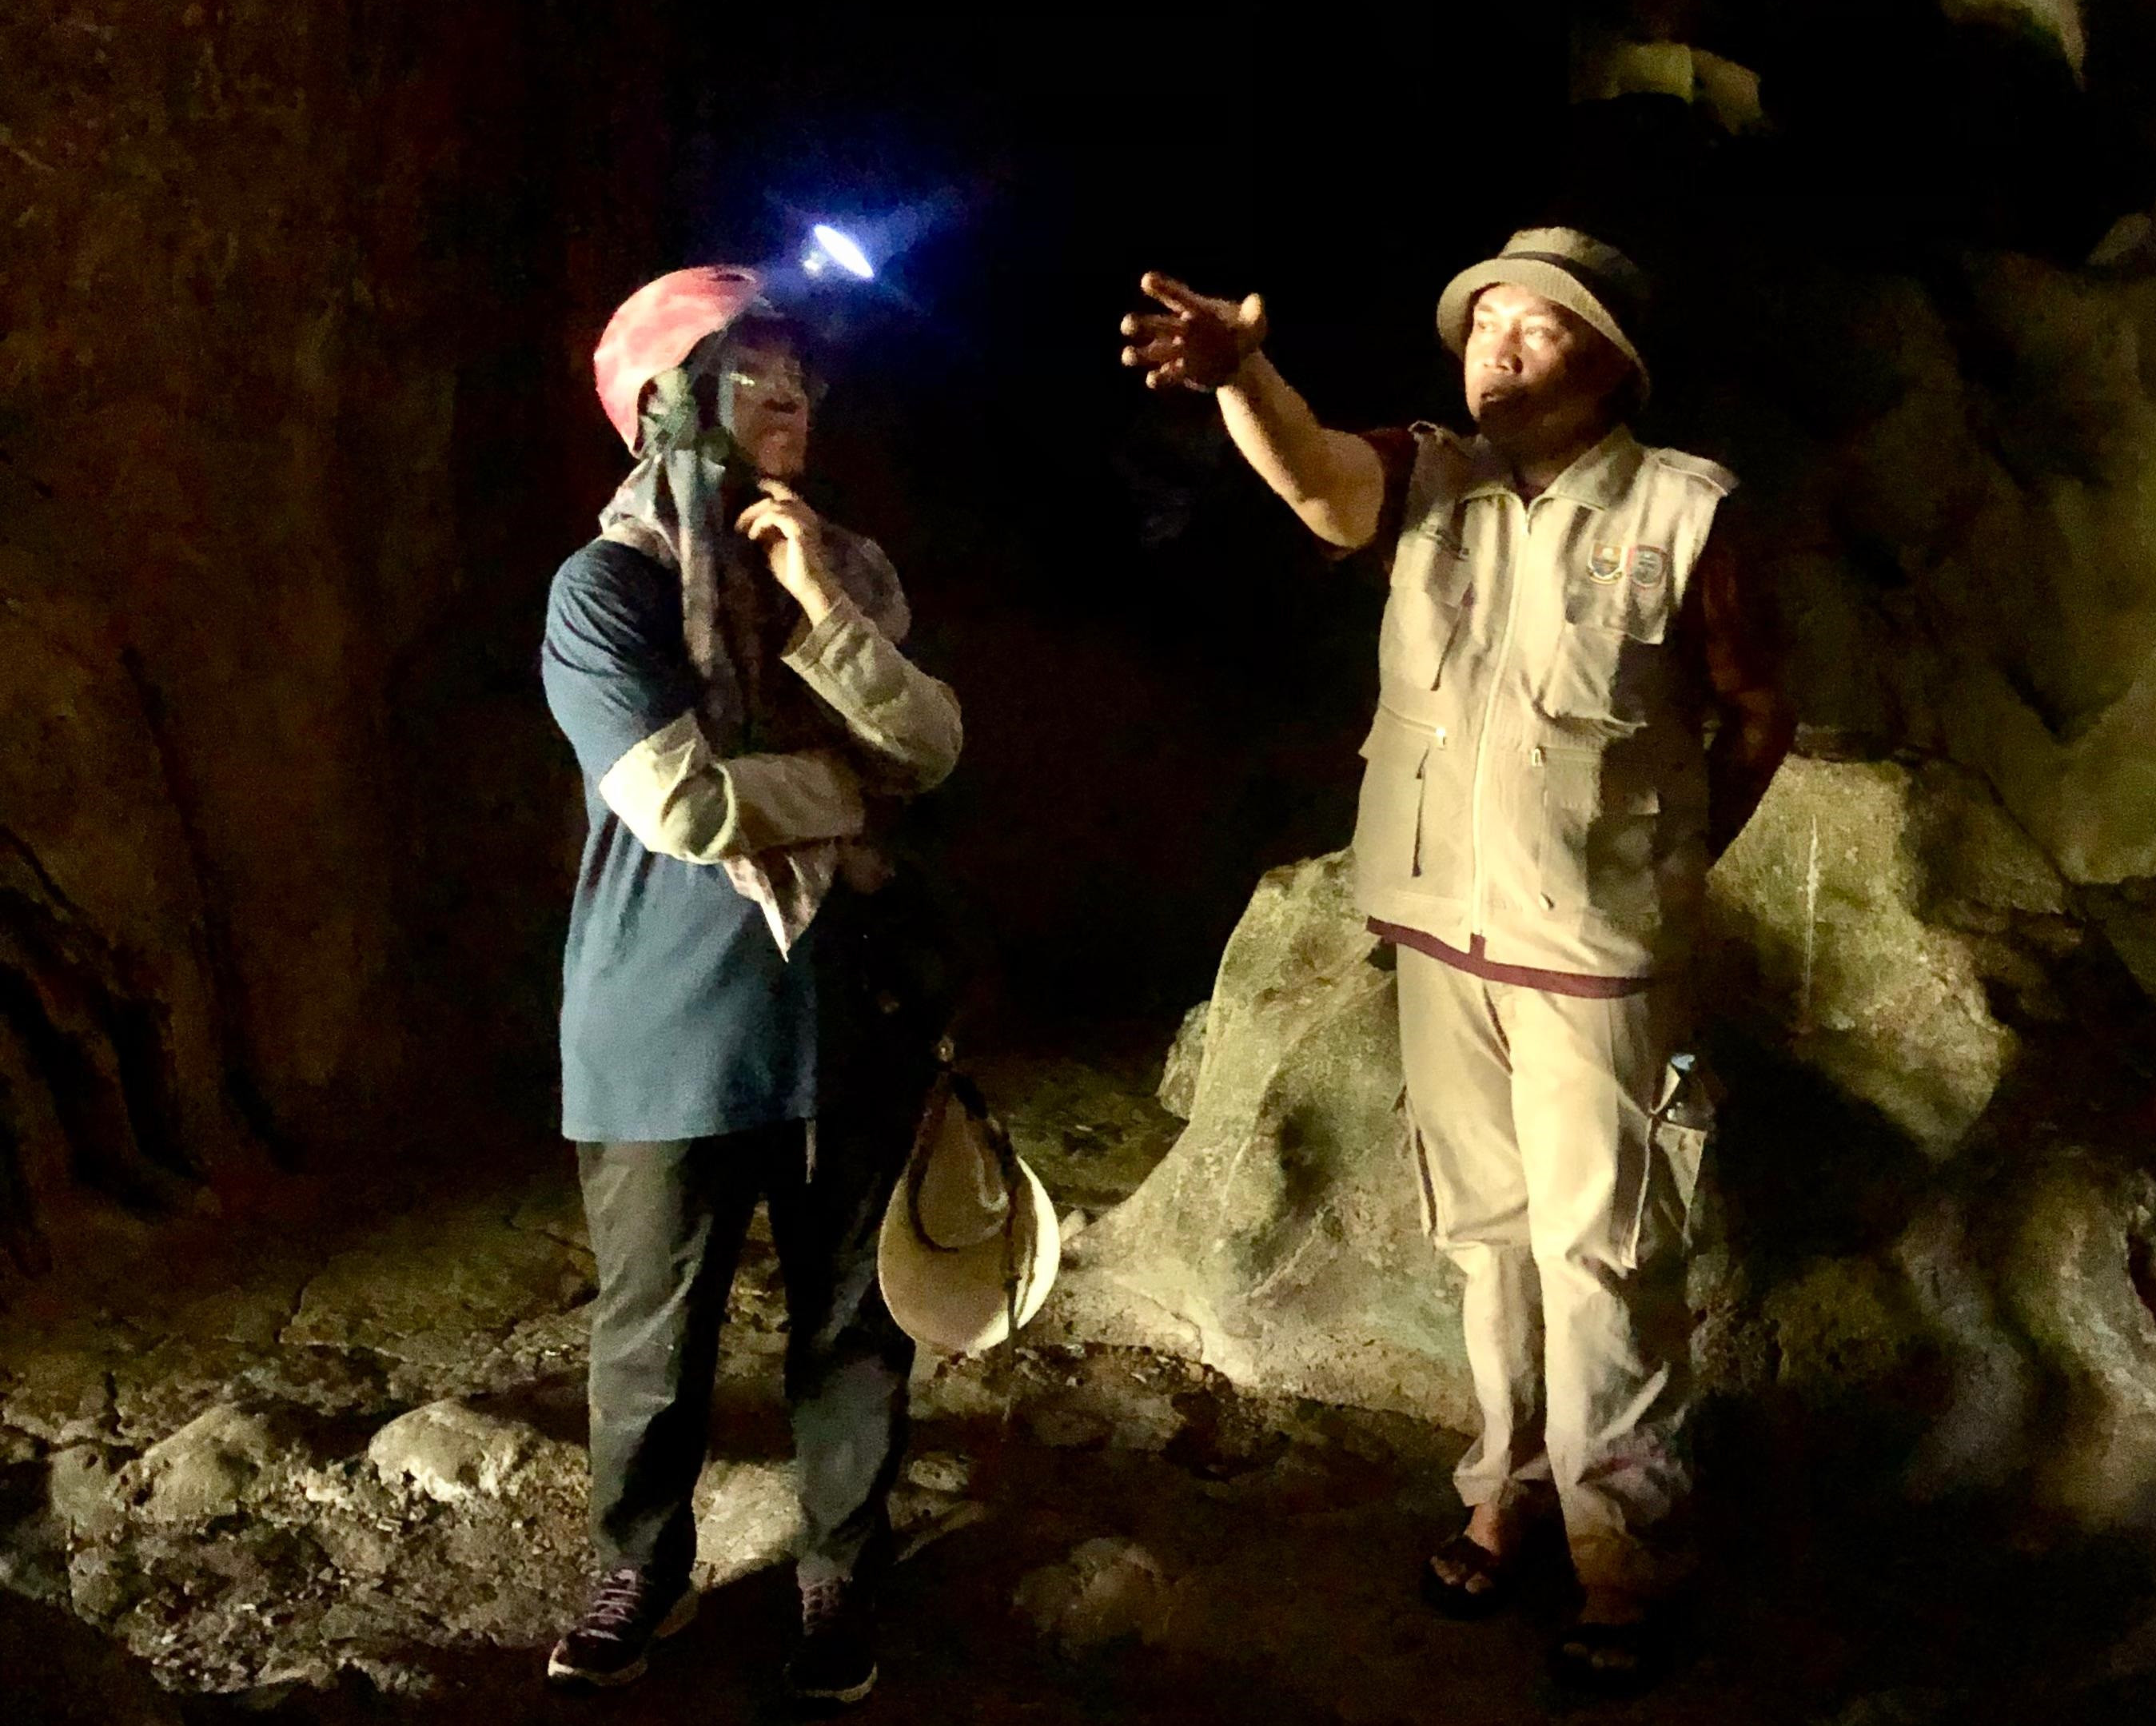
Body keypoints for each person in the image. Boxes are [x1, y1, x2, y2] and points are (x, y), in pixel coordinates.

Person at [1118, 229, 1793, 1692]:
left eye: (1533, 326)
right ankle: (1504, 1485)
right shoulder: (1431, 476)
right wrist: (1242, 375)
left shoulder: (1685, 512)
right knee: (1482, 1229)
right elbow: (1311, 473)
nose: (1494, 342)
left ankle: (1625, 1556)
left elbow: (1751, 709)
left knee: (1605, 1250)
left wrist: (1660, 864)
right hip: (1440, 930)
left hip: (1595, 954)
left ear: (1608, 362)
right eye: (1482, 317)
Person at [540, 265, 962, 1705]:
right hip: (665, 1012)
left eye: (798, 370)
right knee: (655, 1325)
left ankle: (840, 1568)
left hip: (846, 1009)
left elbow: (938, 742)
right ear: (664, 401)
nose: (788, 390)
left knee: (856, 1315)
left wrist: (815, 603)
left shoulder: (846, 569)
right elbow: (682, 806)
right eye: (743, 364)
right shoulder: (603, 590)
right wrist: (847, 784)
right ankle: (637, 1566)